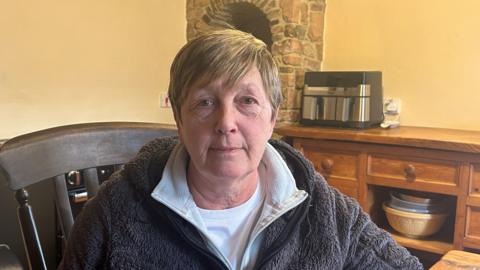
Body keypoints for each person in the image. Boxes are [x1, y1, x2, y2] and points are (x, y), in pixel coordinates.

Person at [59, 29, 423, 270]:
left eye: (247, 100)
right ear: (178, 117)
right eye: (204, 102)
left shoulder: (325, 210)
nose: (226, 122)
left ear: (272, 117)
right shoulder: (115, 212)